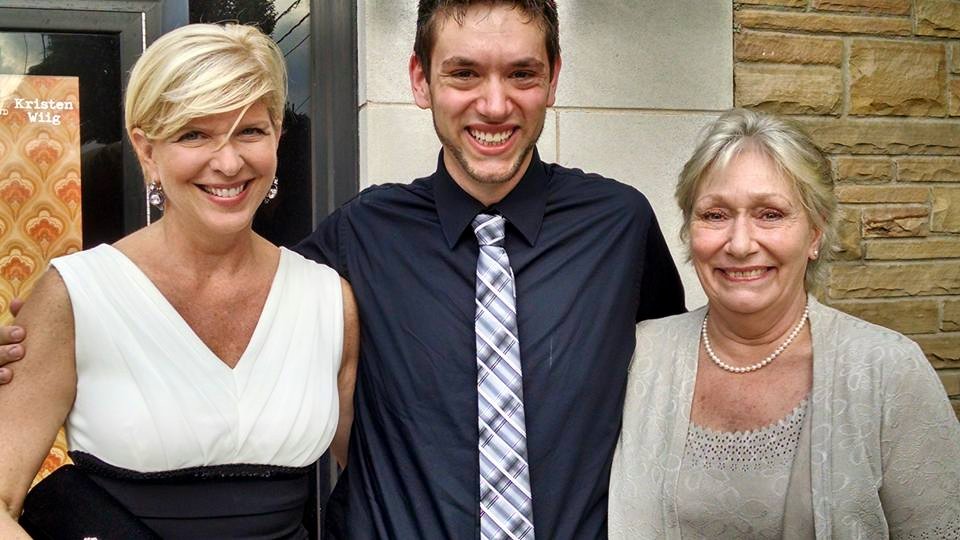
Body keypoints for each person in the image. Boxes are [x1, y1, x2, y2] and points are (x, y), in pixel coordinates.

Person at [0, 1, 685, 538]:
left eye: (522, 74)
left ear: (553, 80)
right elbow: (209, 296)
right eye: (464, 72)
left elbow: (687, 371)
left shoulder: (620, 227)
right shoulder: (356, 240)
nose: (495, 104)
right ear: (421, 81)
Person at [0, 23, 358, 538]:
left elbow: (376, 485)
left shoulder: (328, 301)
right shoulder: (76, 295)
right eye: (194, 134)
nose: (229, 161)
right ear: (147, 151)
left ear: (278, 134)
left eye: (250, 131)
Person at [608, 109, 960, 539]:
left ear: (815, 233)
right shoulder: (639, 357)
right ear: (689, 230)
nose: (739, 244)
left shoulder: (886, 370)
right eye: (715, 215)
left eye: (770, 214)